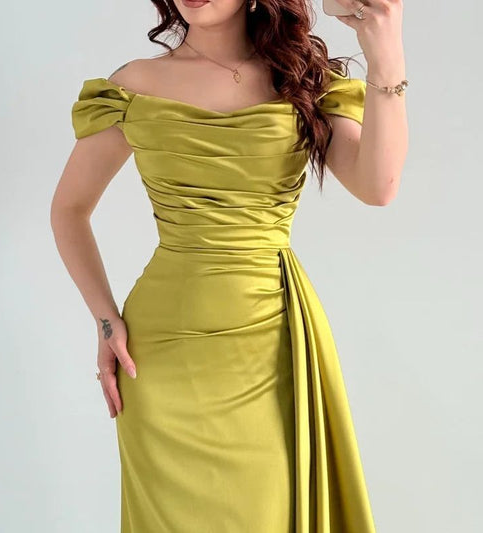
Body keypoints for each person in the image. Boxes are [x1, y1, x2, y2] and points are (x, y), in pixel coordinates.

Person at [50, 0, 407, 531]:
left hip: (268, 347)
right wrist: (105, 320)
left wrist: (386, 53)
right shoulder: (134, 85)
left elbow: (378, 187)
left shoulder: (304, 82)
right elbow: (69, 210)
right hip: (160, 360)